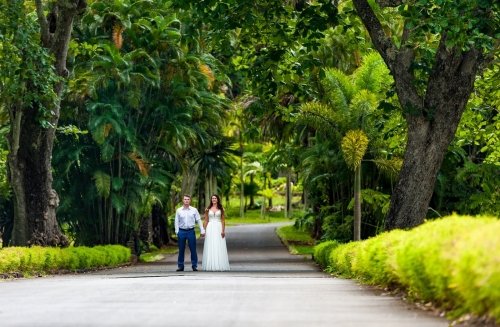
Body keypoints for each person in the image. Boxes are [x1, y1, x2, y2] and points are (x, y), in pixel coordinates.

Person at [174, 195, 205, 271]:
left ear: (190, 200)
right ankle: (180, 266)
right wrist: (177, 231)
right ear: (183, 200)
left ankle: (194, 265)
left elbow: (198, 220)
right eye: (185, 199)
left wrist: (202, 230)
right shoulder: (179, 210)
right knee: (181, 249)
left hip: (191, 231)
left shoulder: (194, 210)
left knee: (193, 249)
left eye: (188, 199)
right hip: (181, 231)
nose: (186, 200)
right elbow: (176, 221)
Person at [202, 194, 230, 271]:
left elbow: (223, 220)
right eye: (212, 198)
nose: (214, 199)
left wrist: (223, 230)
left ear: (217, 199)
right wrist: (203, 230)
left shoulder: (221, 209)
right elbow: (206, 220)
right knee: (210, 244)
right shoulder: (208, 209)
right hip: (210, 227)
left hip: (218, 227)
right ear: (211, 200)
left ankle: (219, 264)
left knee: (218, 244)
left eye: (215, 198)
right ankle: (210, 264)